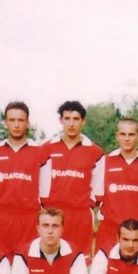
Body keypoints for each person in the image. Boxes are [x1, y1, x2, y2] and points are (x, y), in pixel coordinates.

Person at [40, 101, 104, 257]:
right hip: (53, 215)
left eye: (76, 119)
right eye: (67, 118)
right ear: (60, 120)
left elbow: (98, 188)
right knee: (52, 260)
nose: (71, 124)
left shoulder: (95, 151)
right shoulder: (47, 148)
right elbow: (40, 184)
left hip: (80, 216)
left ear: (83, 121)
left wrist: (85, 204)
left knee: (79, 261)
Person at [0, 101, 45, 257]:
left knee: (26, 265)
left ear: (28, 123)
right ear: (5, 122)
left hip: (28, 219)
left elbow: (45, 192)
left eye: (20, 120)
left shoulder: (40, 153)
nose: (16, 125)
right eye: (12, 120)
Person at [94, 118, 138, 253]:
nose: (127, 139)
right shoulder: (105, 162)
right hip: (110, 231)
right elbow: (96, 197)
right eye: (123, 134)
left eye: (131, 134)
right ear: (117, 136)